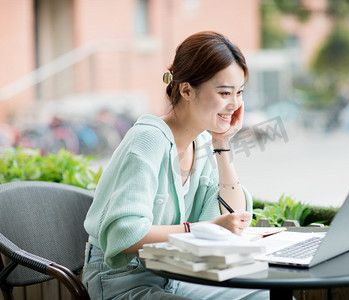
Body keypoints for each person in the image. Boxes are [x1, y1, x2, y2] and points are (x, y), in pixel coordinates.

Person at [82, 31, 269, 299]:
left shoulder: (203, 142)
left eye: (239, 92)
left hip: (175, 275)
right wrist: (199, 230)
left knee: (263, 296)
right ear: (186, 90)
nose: (235, 104)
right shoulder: (148, 139)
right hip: (121, 279)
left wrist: (222, 143)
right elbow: (124, 233)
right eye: (225, 92)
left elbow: (231, 218)